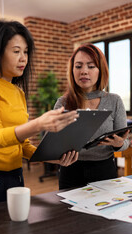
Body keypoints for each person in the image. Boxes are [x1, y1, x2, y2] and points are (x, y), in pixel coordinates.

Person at [0, 19, 79, 204]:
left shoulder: (18, 92)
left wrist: (53, 158)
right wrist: (38, 124)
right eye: (16, 51)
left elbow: (22, 146)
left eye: (26, 52)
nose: (23, 58)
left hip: (15, 177)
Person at [54, 43, 130, 190]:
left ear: (100, 70)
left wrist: (119, 143)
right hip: (70, 171)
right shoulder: (62, 102)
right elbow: (55, 143)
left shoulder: (114, 101)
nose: (84, 71)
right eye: (78, 66)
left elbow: (124, 143)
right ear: (72, 70)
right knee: (69, 213)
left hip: (104, 170)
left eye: (91, 66)